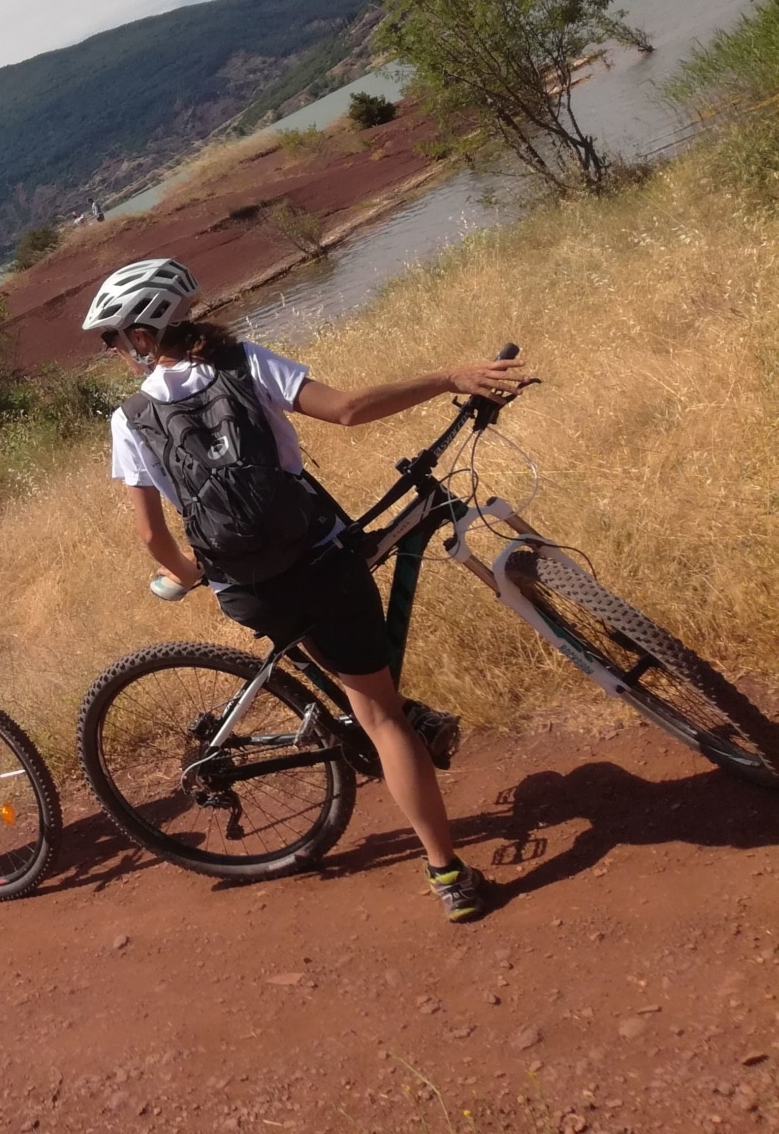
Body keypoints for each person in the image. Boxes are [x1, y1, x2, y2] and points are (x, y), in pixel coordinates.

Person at [84, 257, 535, 923]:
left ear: (146, 335)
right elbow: (349, 410)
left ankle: (435, 836)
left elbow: (152, 537)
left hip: (247, 589)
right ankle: (446, 873)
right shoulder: (242, 363)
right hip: (320, 561)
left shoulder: (129, 419)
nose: (116, 351)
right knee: (383, 717)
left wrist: (190, 574)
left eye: (115, 338)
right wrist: (449, 376)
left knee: (355, 683)